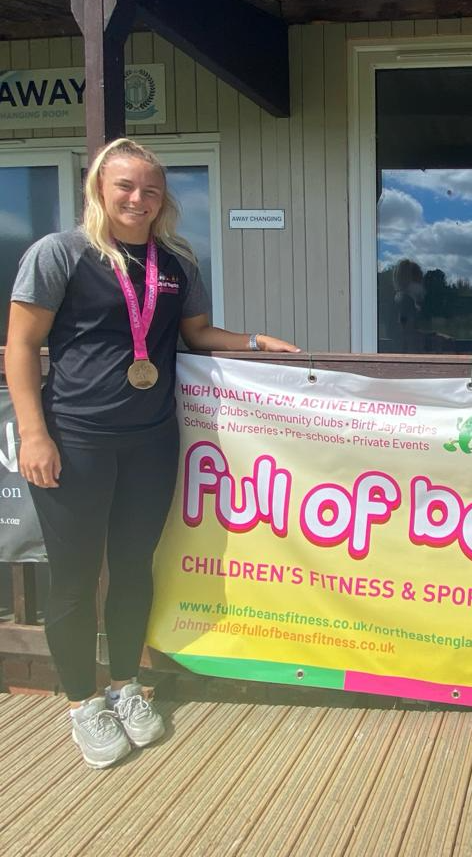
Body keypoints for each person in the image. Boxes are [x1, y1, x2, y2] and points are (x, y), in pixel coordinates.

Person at [5, 138, 298, 769]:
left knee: (136, 568)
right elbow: (21, 346)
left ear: (164, 197)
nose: (138, 199)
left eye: (151, 189)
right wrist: (34, 433)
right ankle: (83, 702)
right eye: (125, 187)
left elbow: (195, 334)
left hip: (150, 439)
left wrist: (252, 341)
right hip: (75, 439)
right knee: (77, 578)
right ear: (99, 190)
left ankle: (127, 686)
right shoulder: (60, 253)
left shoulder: (176, 261)